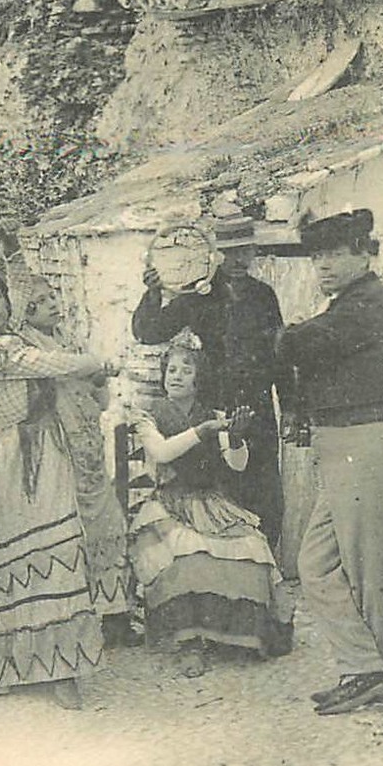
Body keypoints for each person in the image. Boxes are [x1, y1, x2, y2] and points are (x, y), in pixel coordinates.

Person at [0, 267, 113, 709]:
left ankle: (59, 662)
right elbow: (52, 363)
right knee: (40, 553)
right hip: (21, 458)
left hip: (41, 448)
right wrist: (99, 362)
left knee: (52, 552)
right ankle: (37, 664)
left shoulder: (8, 341)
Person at [274, 210, 383, 716]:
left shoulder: (368, 302)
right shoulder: (349, 301)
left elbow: (301, 342)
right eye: (316, 256)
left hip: (364, 442)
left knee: (362, 569)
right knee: (315, 564)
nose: (323, 265)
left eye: (335, 254)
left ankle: (368, 674)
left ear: (363, 253)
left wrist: (277, 332)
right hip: (342, 443)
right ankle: (363, 664)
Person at [126, 329, 291, 678]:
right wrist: (204, 430)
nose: (177, 376)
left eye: (186, 370)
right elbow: (162, 452)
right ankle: (191, 641)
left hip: (212, 502)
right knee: (188, 553)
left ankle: (235, 635)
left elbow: (237, 465)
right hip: (170, 503)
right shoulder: (147, 415)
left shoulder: (213, 413)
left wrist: (233, 437)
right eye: (172, 370)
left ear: (200, 378)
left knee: (252, 547)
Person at [131, 221, 285, 546]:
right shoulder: (197, 294)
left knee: (264, 483)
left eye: (245, 251)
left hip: (257, 404)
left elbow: (279, 354)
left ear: (254, 251)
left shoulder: (264, 295)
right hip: (214, 404)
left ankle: (266, 566)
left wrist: (292, 407)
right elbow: (149, 331)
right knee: (223, 483)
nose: (238, 260)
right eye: (229, 253)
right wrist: (154, 292)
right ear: (214, 255)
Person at [18, 276, 133, 646]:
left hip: (87, 445)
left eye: (53, 296)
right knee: (70, 531)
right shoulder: (27, 349)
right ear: (25, 309)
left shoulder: (70, 340)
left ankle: (115, 616)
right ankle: (74, 620)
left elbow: (100, 397)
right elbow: (60, 371)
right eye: (41, 300)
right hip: (56, 448)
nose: (53, 303)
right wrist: (91, 366)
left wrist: (98, 378)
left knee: (106, 523)